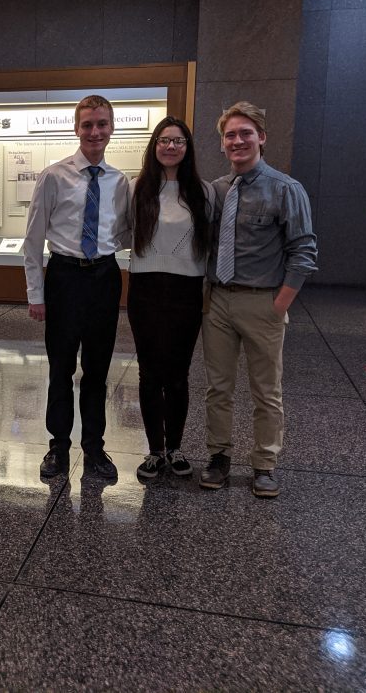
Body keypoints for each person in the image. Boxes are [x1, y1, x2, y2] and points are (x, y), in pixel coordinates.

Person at [199, 101, 317, 498]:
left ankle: (265, 464)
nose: (237, 141)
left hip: (262, 302)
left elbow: (303, 251)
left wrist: (279, 304)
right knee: (218, 387)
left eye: (245, 133)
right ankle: (218, 457)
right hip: (218, 302)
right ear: (221, 143)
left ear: (262, 138)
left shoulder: (286, 189)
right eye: (230, 135)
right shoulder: (217, 190)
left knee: (266, 391)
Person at [24, 95, 130, 481]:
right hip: (65, 278)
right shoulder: (54, 176)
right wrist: (36, 294)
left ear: (111, 128)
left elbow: (126, 231)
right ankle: (58, 446)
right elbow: (33, 240)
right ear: (76, 128)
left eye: (102, 124)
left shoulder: (120, 182)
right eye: (87, 125)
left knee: (98, 370)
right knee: (61, 367)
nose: (95, 132)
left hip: (104, 277)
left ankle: (95, 448)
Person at [127, 117, 213, 480]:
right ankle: (154, 451)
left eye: (178, 141)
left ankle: (175, 448)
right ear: (154, 145)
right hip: (145, 287)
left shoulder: (203, 191)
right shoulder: (137, 188)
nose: (170, 147)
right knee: (150, 373)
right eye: (164, 140)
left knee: (177, 374)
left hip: (186, 289)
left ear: (187, 147)